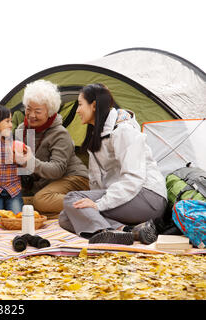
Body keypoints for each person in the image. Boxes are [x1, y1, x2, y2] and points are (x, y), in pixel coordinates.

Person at [59, 83, 168, 245]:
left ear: (94, 105)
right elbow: (97, 181)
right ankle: (129, 232)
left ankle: (105, 231)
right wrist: (92, 208)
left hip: (149, 197)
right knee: (67, 216)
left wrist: (99, 205)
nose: (77, 110)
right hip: (128, 196)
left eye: (80, 104)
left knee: (73, 199)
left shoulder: (124, 130)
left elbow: (133, 178)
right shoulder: (98, 133)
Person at [14, 79, 89, 217]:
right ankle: (65, 213)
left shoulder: (59, 133)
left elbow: (57, 170)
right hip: (46, 184)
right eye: (28, 109)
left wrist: (30, 161)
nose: (31, 115)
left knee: (41, 200)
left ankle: (94, 204)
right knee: (16, 201)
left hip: (74, 178)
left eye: (37, 111)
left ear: (49, 112)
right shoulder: (21, 130)